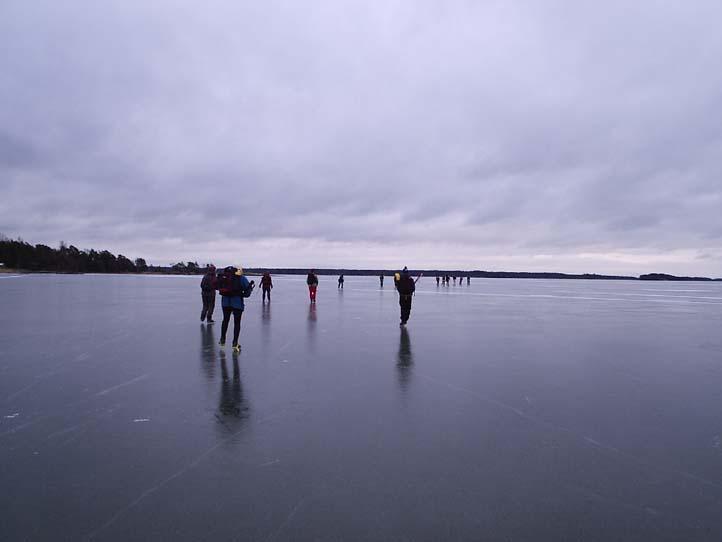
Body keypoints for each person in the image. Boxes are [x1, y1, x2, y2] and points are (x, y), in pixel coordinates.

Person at [217, 265, 255, 352]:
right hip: (237, 304)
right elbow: (247, 294)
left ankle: (222, 340)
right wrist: (244, 292)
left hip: (225, 303)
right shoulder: (241, 278)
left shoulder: (224, 277)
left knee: (225, 320)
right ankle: (235, 343)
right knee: (237, 323)